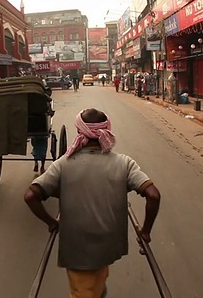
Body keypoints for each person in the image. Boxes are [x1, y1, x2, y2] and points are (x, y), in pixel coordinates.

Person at [24, 108, 161, 298]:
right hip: (110, 245)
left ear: (81, 133)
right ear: (106, 132)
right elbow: (153, 195)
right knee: (98, 278)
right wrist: (145, 231)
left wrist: (51, 223)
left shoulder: (62, 164)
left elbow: (30, 196)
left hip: (78, 250)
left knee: (85, 291)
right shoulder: (124, 163)